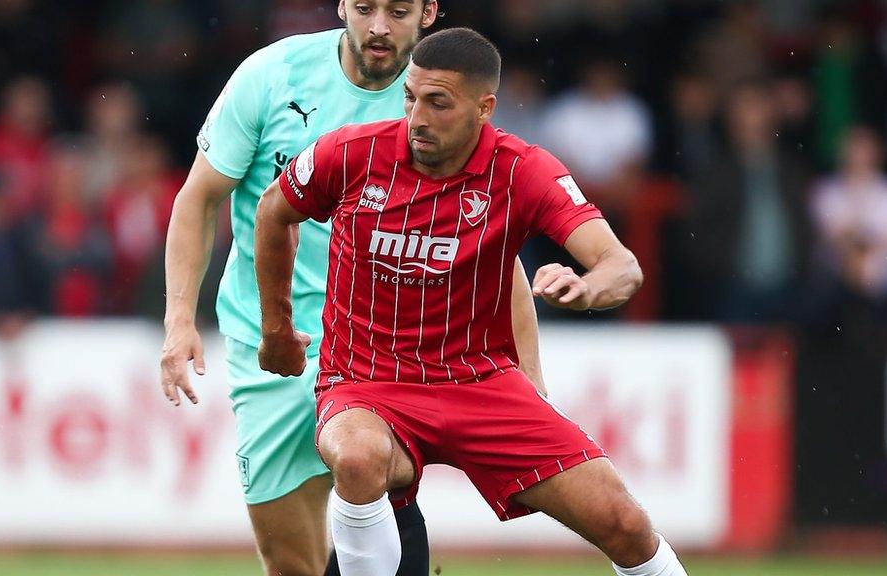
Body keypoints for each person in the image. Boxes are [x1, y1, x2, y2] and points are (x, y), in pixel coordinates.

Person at [255, 28, 689, 576]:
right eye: (410, 97)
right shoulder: (351, 153)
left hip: (482, 384)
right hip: (367, 382)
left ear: (484, 107)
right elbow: (274, 209)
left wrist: (586, 289)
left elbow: (621, 265)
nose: (417, 117)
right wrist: (277, 328)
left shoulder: (523, 170)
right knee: (358, 458)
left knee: (624, 523)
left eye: (438, 102)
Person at [159, 3, 548, 575]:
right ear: (342, 5)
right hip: (270, 344)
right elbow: (198, 197)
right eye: (365, 7)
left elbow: (488, 249)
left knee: (380, 491)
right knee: (293, 564)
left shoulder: (439, 105)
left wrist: (529, 378)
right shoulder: (272, 76)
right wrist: (178, 321)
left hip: (380, 348)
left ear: (429, 12)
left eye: (398, 9)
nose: (380, 26)